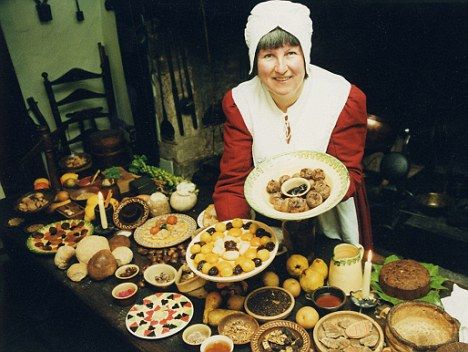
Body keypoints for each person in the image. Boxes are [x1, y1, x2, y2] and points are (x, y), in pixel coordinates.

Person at [213, 0, 377, 258]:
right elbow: (233, 182)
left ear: (305, 54)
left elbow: (349, 173)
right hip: (269, 228)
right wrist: (234, 240)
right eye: (268, 55)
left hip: (331, 224)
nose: (281, 68)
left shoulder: (342, 98)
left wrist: (302, 206)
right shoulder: (240, 102)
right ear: (254, 59)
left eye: (291, 53)